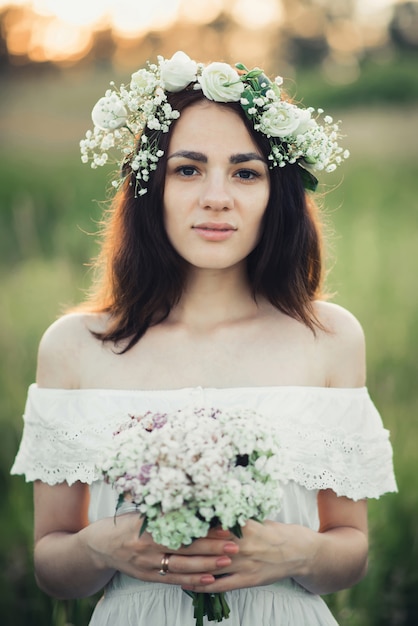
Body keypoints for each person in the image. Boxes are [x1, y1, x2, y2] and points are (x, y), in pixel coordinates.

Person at [11, 51, 397, 626]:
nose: (217, 197)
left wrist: (300, 552)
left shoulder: (329, 337)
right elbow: (51, 565)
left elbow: (351, 551)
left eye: (246, 172)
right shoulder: (74, 347)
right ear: (152, 186)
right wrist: (104, 548)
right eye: (188, 169)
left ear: (277, 193)